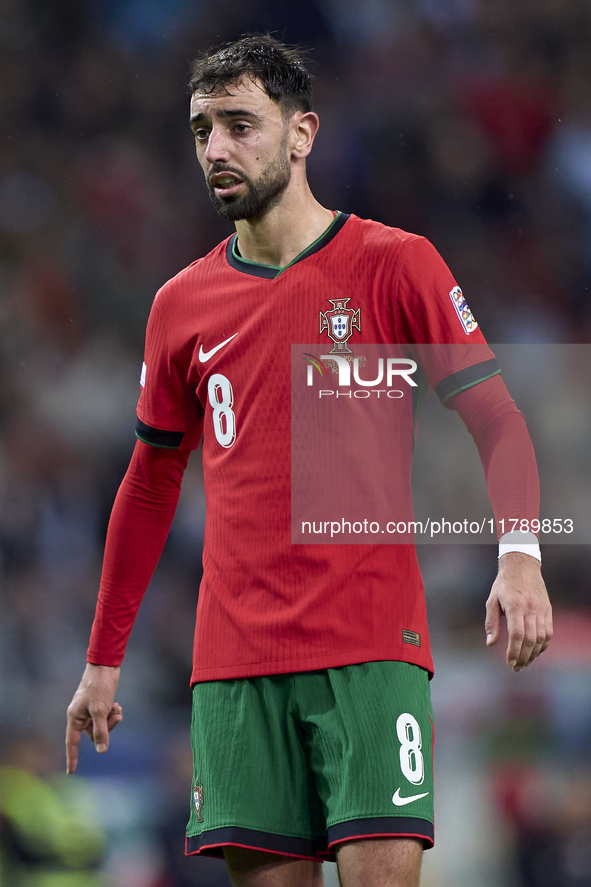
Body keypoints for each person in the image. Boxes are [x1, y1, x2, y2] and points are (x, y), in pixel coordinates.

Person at [66, 34, 553, 887]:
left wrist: (519, 556)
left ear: (302, 135)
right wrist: (103, 659)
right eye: (201, 130)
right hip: (234, 660)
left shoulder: (394, 263)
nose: (215, 148)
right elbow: (148, 486)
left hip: (369, 643)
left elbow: (498, 419)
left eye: (239, 125)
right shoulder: (179, 305)